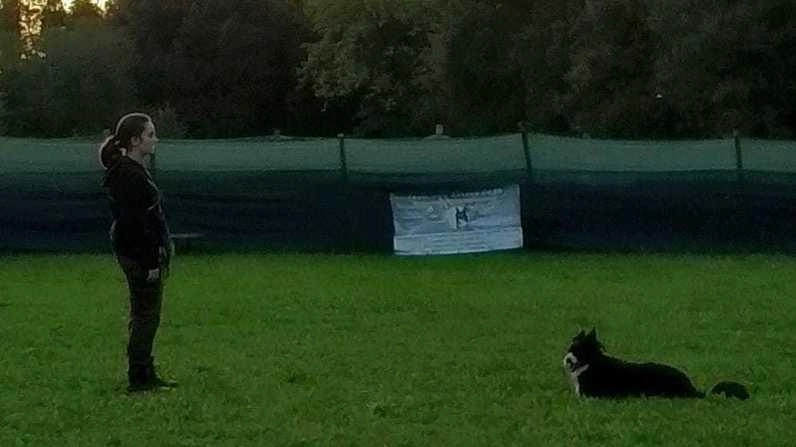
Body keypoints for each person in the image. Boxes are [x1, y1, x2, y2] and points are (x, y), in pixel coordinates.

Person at [99, 112, 176, 392]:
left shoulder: (130, 172)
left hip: (136, 251)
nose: (155, 139)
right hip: (139, 254)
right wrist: (151, 261)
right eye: (150, 135)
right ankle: (140, 376)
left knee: (144, 312)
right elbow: (137, 224)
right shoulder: (129, 176)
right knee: (146, 314)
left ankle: (143, 370)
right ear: (134, 140)